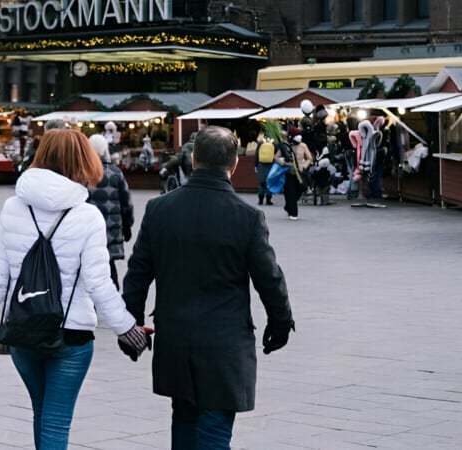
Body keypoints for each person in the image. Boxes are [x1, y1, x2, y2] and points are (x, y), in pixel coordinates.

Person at [0, 129, 149, 450]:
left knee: (43, 413)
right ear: (83, 161)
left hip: (23, 330)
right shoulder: (87, 215)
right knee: (56, 420)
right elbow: (99, 282)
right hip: (71, 333)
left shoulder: (12, 207)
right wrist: (126, 328)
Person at [123, 126, 295, 450]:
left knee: (184, 421)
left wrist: (130, 323)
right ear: (233, 165)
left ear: (192, 160)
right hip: (224, 342)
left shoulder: (160, 210)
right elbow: (269, 277)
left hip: (176, 339)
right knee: (215, 431)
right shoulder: (247, 217)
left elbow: (137, 273)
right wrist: (281, 321)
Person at [87, 133, 135, 288]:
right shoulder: (115, 173)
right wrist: (127, 227)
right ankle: (112, 308)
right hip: (110, 232)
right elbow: (126, 204)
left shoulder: (80, 174)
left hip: (86, 233)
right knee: (109, 273)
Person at [277, 128, 312, 221]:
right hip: (290, 172)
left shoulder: (303, 146)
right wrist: (283, 163)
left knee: (299, 191)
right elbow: (276, 157)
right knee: (290, 192)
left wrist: (305, 165)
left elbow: (309, 158)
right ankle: (293, 213)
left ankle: (288, 206)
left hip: (300, 173)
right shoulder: (286, 146)